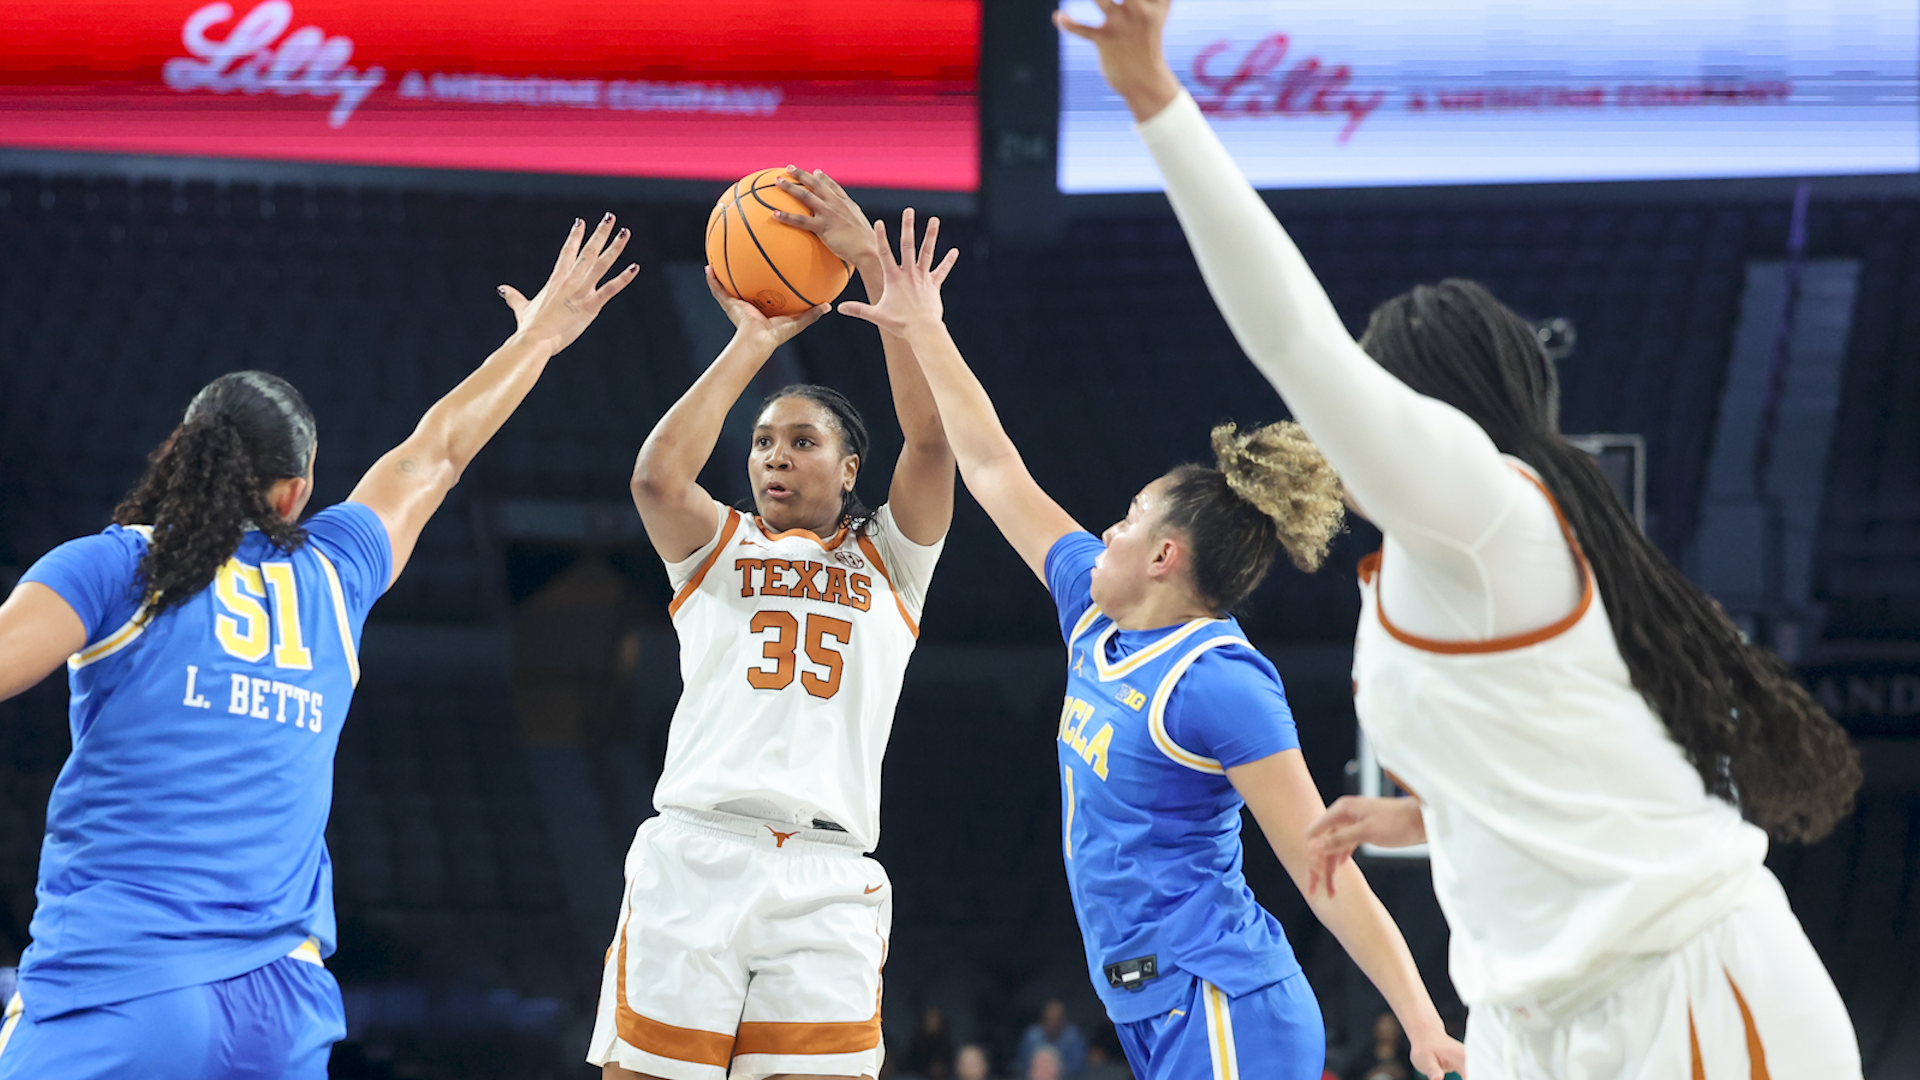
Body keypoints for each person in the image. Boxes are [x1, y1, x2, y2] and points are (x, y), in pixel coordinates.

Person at [1054, 1, 1866, 1076]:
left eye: (1382, 388)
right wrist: (1419, 820)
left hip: (1682, 993)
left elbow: (1296, 339)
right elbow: (1569, 767)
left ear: (1432, 403)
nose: (1363, 418)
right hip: (1533, 1015)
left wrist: (1157, 102)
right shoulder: (1458, 566)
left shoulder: (1496, 511)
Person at [0, 217, 638, 1078]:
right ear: (297, 491)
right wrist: (541, 340)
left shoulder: (119, 565)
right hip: (284, 1009)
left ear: (180, 454)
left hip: (124, 986)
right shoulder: (337, 571)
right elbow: (437, 452)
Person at [838, 212, 1466, 1080]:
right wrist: (925, 327)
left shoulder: (1219, 683)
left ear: (1166, 558)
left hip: (1225, 1004)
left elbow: (1325, 868)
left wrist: (1423, 1025)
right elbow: (993, 469)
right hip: (1148, 1007)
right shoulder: (1094, 612)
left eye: (1129, 518)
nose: (1107, 528)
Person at [589, 170, 955, 1080]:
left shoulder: (893, 560)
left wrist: (874, 265)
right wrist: (753, 341)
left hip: (829, 875)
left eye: (802, 441)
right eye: (762, 443)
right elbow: (655, 481)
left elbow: (936, 442)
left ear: (849, 465)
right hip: (698, 854)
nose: (775, 458)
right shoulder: (716, 545)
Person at [1016, 1000, 1085, 1077]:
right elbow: (1023, 1062)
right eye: (1049, 1019)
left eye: (1056, 1019)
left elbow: (1077, 1067)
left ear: (1063, 1020)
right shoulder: (1032, 1035)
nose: (1053, 1023)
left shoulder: (1073, 1037)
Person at [906, 1006, 957, 1079]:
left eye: (935, 1020)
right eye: (930, 1019)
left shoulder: (947, 1045)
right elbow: (910, 1065)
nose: (932, 1023)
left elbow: (952, 1064)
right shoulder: (916, 1044)